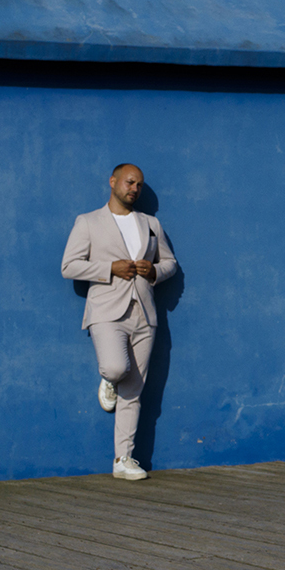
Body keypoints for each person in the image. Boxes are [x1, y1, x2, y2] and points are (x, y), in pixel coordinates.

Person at [61, 163, 177, 480]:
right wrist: (109, 268)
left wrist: (154, 272)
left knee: (134, 391)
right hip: (106, 311)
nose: (135, 189)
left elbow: (170, 263)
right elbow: (69, 266)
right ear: (113, 182)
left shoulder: (150, 223)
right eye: (129, 182)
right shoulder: (88, 222)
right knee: (115, 368)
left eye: (139, 185)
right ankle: (109, 379)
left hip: (145, 313)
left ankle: (123, 459)